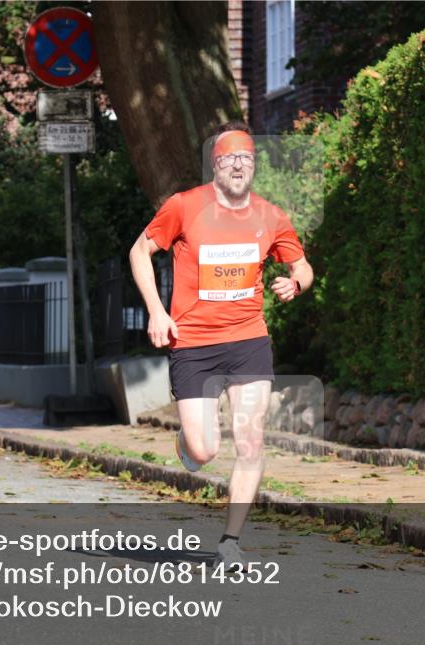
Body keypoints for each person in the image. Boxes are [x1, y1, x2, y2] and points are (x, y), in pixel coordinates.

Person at [128, 122, 314, 570]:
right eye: (230, 158)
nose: (238, 166)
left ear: (254, 166)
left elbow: (303, 266)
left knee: (251, 441)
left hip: (248, 340)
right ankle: (188, 445)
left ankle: (230, 541)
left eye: (246, 159)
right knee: (206, 448)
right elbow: (139, 251)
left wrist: (295, 283)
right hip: (193, 343)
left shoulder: (270, 217)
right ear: (216, 163)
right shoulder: (185, 206)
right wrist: (157, 310)